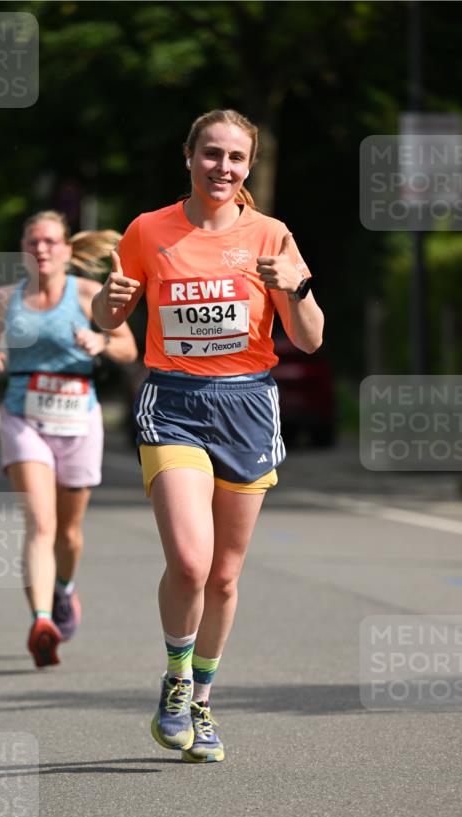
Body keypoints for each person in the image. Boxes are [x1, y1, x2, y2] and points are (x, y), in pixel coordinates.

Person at [93, 109, 324, 762]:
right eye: (211, 154)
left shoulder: (271, 235)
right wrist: (107, 304)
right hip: (173, 403)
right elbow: (110, 314)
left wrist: (296, 288)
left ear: (248, 167)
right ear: (188, 156)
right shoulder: (148, 230)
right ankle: (173, 681)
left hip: (247, 406)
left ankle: (201, 699)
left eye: (235, 158)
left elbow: (308, 336)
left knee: (223, 577)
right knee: (190, 562)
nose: (222, 167)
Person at [0, 210, 137, 668]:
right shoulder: (5, 298)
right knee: (40, 525)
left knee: (68, 531)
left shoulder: (87, 294)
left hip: (79, 419)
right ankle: (42, 621)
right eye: (33, 242)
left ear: (67, 250)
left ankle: (64, 590)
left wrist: (101, 344)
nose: (41, 249)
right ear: (23, 249)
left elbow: (129, 348)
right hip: (23, 417)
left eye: (50, 242)